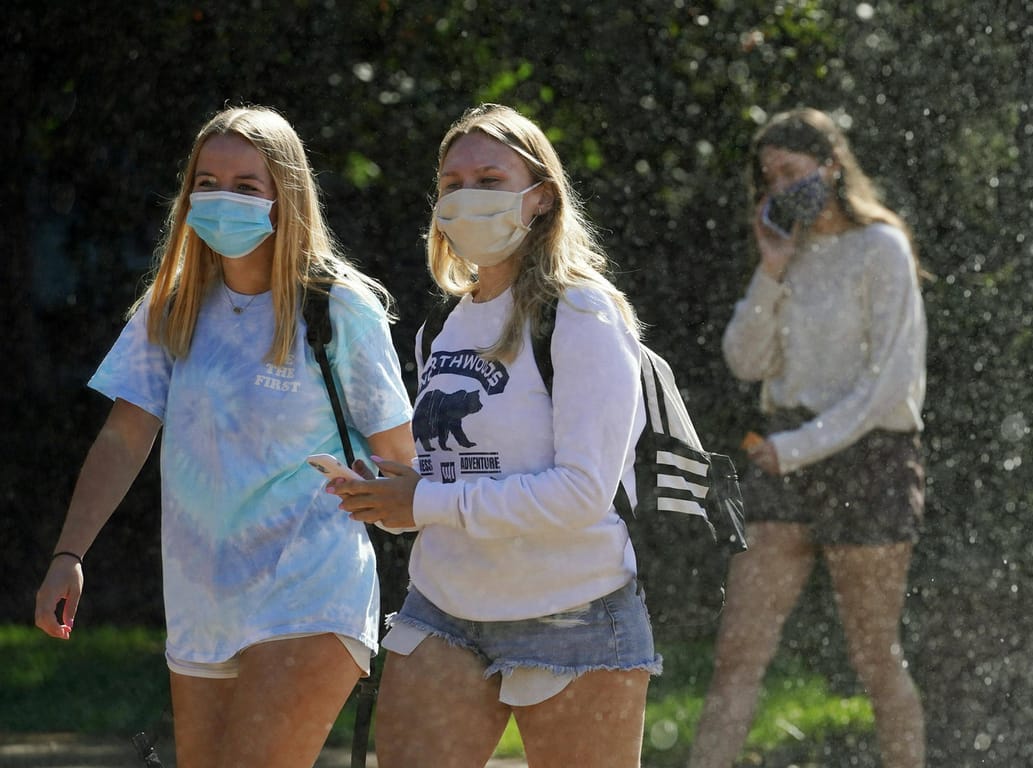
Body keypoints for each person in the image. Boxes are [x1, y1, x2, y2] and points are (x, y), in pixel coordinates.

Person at [32, 106, 415, 768]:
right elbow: (124, 439)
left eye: (246, 186)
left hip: (311, 588)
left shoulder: (338, 305)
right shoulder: (173, 304)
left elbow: (401, 464)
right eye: (207, 183)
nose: (221, 200)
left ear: (285, 197)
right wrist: (69, 554)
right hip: (201, 599)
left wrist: (379, 498)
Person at [329, 103, 659, 767]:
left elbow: (581, 493)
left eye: (489, 178)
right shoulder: (438, 325)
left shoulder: (582, 312)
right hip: (443, 610)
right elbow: (459, 479)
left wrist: (424, 505)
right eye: (451, 184)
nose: (465, 196)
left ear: (539, 199)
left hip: (576, 613)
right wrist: (393, 499)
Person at [689, 108, 929, 768]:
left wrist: (796, 449)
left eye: (791, 171)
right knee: (737, 652)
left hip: (870, 456)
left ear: (830, 165)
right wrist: (771, 269)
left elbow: (889, 384)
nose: (779, 187)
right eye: (768, 178)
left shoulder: (882, 248)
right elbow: (744, 360)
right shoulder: (790, 253)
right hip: (784, 452)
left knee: (874, 653)